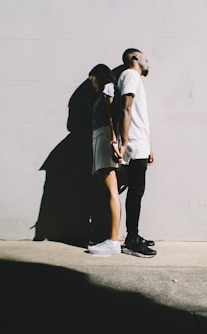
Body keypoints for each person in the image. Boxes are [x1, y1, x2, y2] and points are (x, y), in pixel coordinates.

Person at [117, 48, 157, 258]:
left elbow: (137, 115)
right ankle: (132, 239)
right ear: (135, 58)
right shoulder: (131, 75)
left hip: (139, 143)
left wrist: (148, 146)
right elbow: (126, 108)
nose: (148, 61)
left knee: (135, 192)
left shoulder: (133, 78)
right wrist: (124, 143)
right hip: (133, 144)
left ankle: (133, 235)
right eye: (145, 57)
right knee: (136, 193)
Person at [87, 64, 122, 255]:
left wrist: (114, 140)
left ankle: (113, 241)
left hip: (105, 140)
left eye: (92, 80)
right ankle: (109, 237)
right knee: (107, 192)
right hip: (100, 140)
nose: (92, 85)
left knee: (111, 192)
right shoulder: (105, 90)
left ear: (99, 77)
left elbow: (112, 116)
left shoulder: (108, 88)